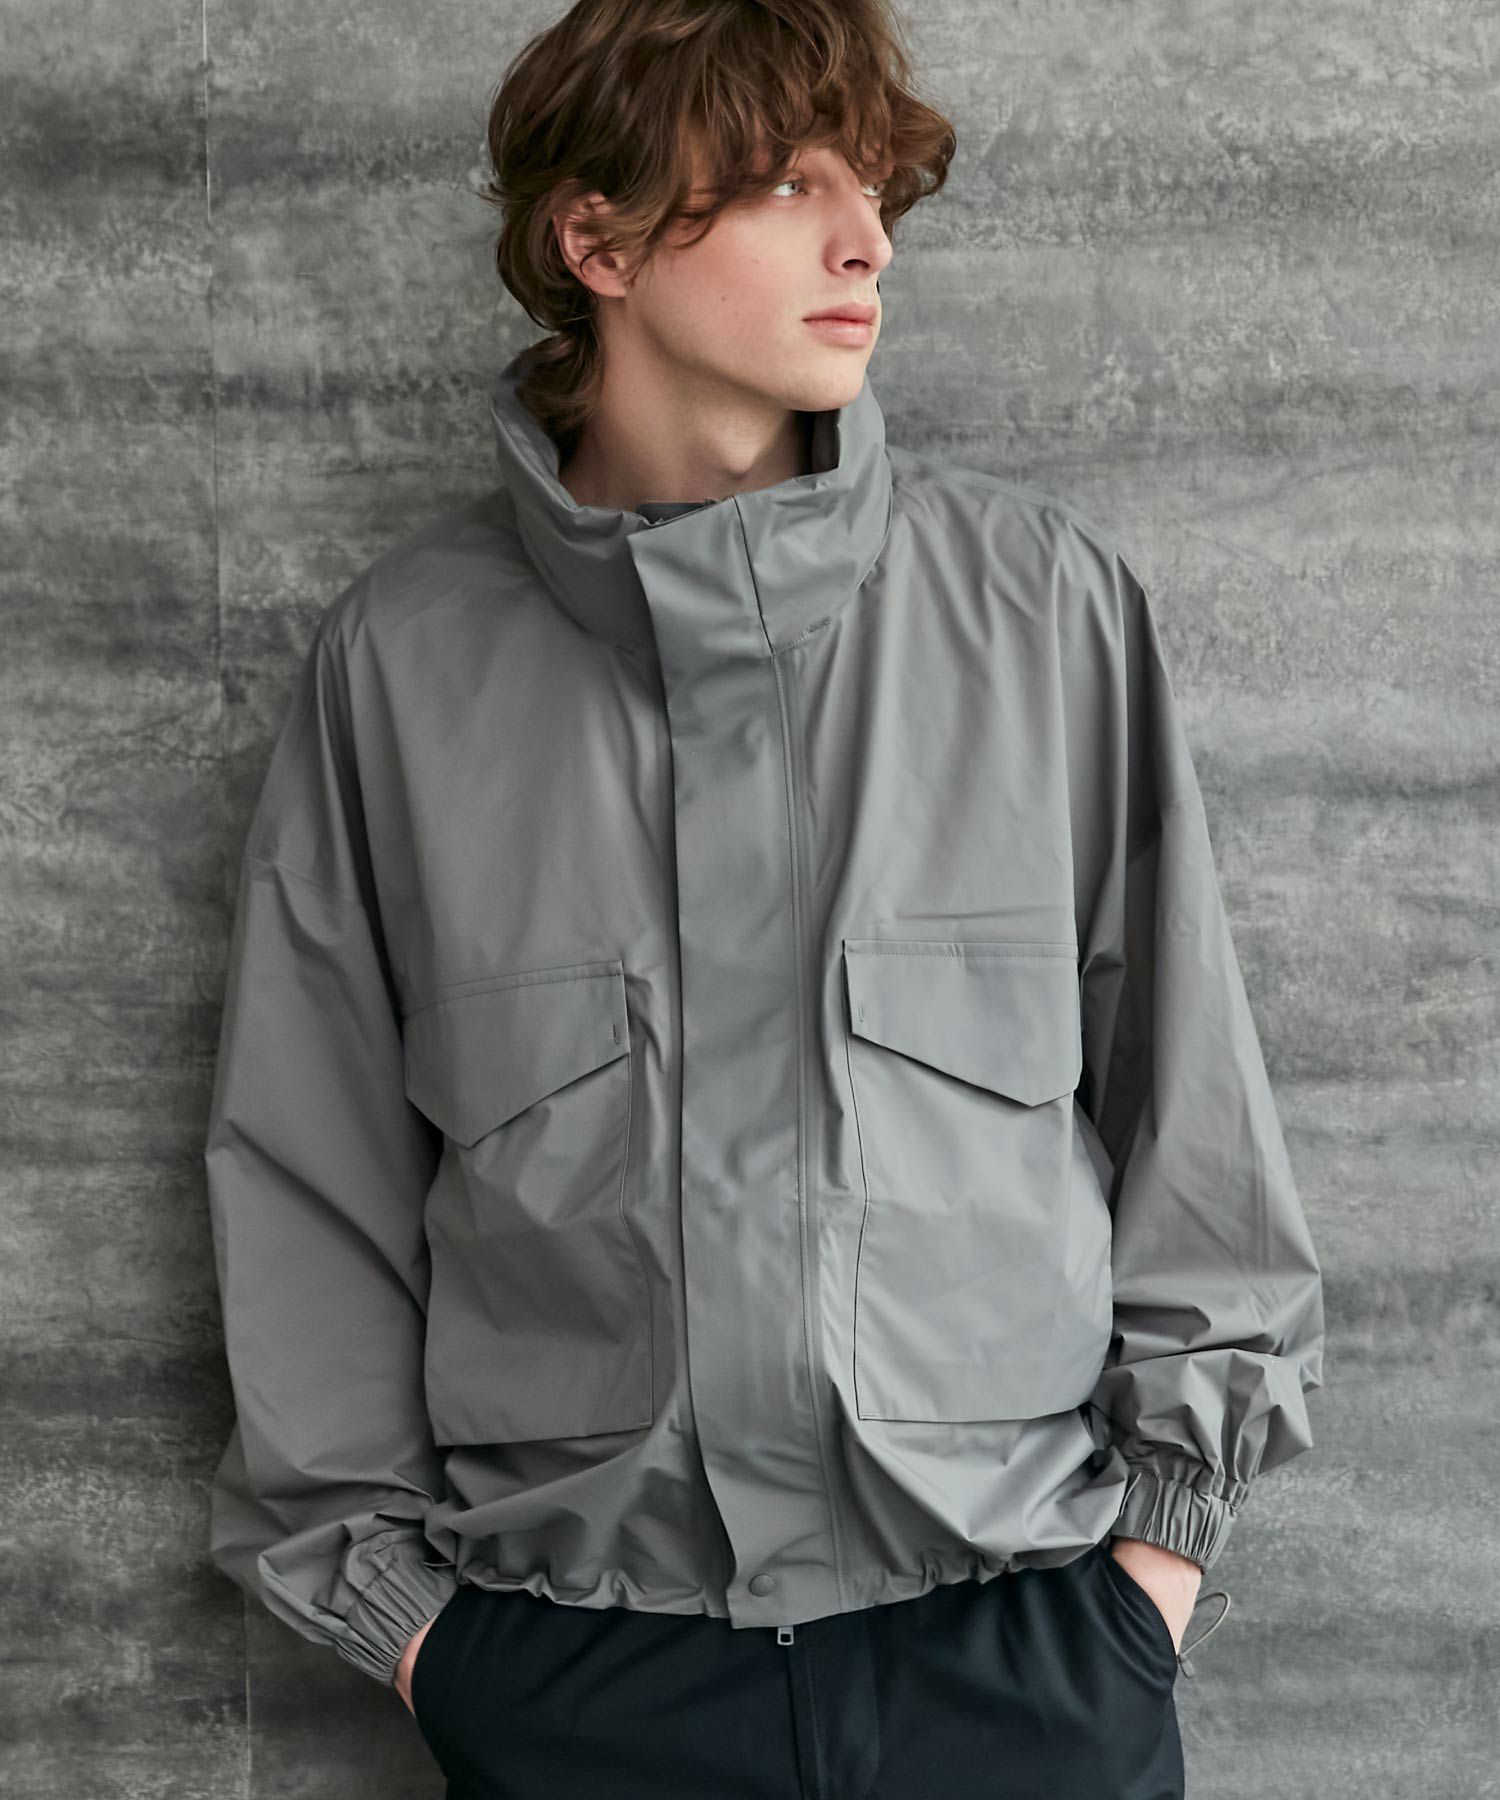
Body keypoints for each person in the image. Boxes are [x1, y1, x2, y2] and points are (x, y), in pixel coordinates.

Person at [203, 1, 1325, 1794]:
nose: (866, 240)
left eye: (870, 187)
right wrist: (425, 1641)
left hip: (1023, 1660)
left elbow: (1197, 1132)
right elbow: (309, 1176)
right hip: (582, 1685)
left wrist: (1145, 1588)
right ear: (599, 241)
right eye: (791, 183)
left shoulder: (1043, 614)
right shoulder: (401, 671)